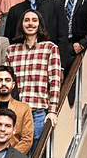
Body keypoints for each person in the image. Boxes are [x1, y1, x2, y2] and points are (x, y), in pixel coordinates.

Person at [5, 9, 62, 141]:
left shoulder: (50, 48)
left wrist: (52, 110)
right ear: (21, 24)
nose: (30, 24)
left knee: (36, 156)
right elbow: (6, 83)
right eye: (26, 20)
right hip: (16, 113)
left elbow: (55, 81)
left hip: (38, 113)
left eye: (34, 20)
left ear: (40, 24)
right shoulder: (11, 50)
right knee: (16, 155)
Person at [2, 0, 66, 52]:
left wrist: (61, 62)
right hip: (20, 59)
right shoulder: (14, 10)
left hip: (50, 58)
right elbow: (9, 39)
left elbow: (63, 37)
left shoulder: (56, 6)